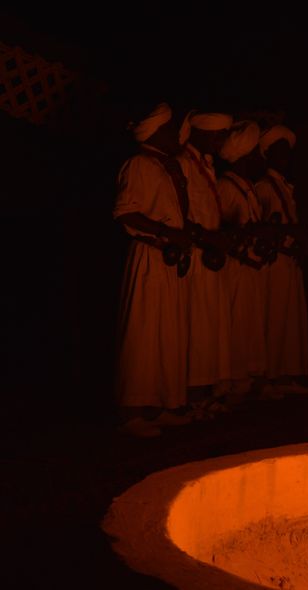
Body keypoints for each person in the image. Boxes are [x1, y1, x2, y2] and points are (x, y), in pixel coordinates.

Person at [113, 103, 193, 437]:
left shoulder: (165, 165)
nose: (177, 135)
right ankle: (133, 412)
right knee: (144, 333)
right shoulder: (139, 165)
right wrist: (166, 233)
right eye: (172, 129)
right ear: (157, 132)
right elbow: (126, 213)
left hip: (168, 258)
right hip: (149, 256)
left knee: (166, 332)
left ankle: (159, 405)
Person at [178, 112, 234, 415]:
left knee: (210, 325)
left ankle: (206, 390)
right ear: (201, 133)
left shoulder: (208, 166)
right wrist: (204, 238)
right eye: (218, 135)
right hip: (195, 256)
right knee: (195, 324)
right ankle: (193, 394)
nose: (221, 141)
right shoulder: (184, 164)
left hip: (210, 256)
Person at [255, 124, 308, 395]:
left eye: (288, 152)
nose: (285, 158)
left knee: (289, 318)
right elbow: (262, 227)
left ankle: (284, 375)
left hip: (289, 260)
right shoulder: (264, 187)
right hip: (274, 261)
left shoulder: (285, 186)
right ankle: (269, 377)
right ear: (267, 154)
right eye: (280, 152)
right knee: (275, 317)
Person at [216, 120, 269, 401]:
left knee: (250, 323)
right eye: (255, 153)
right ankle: (233, 383)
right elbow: (222, 229)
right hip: (235, 269)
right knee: (236, 324)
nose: (260, 158)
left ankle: (248, 380)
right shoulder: (225, 186)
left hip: (251, 268)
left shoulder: (246, 187)